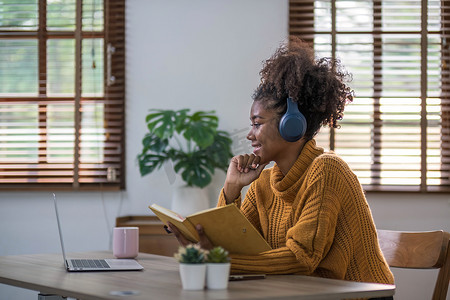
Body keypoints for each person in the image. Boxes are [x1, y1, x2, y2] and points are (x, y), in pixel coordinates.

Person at [168, 37, 394, 288]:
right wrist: (232, 190)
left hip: (360, 296)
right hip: (301, 294)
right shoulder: (263, 183)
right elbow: (236, 249)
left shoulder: (327, 170)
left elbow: (302, 258)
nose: (249, 134)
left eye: (257, 123)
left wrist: (219, 261)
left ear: (291, 124)